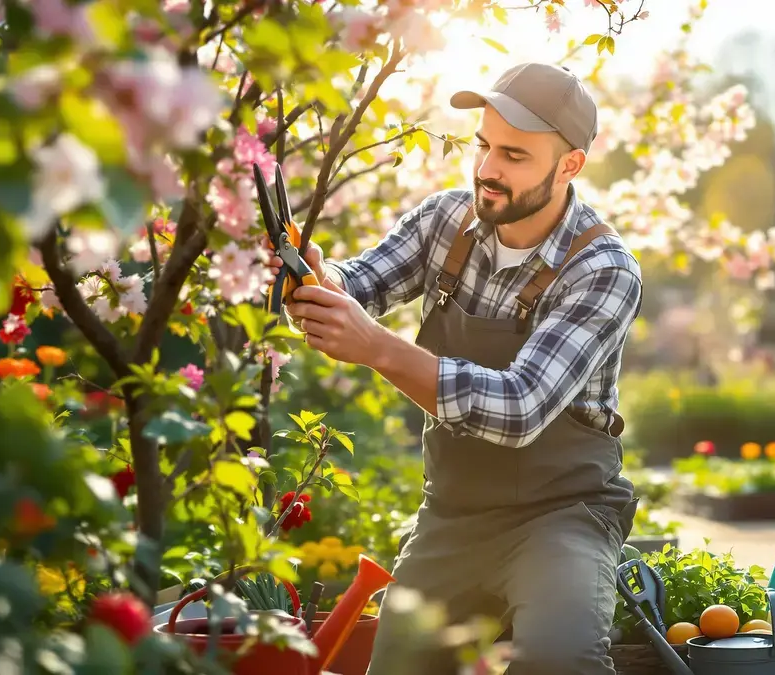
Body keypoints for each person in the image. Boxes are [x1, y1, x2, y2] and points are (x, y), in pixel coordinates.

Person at [271, 62, 642, 674]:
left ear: (569, 165)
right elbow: (358, 284)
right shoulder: (446, 222)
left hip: (562, 516)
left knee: (557, 657)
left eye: (515, 156)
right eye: (484, 145)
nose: (488, 169)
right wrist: (314, 278)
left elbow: (519, 408)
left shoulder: (602, 269)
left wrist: (379, 349)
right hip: (453, 512)